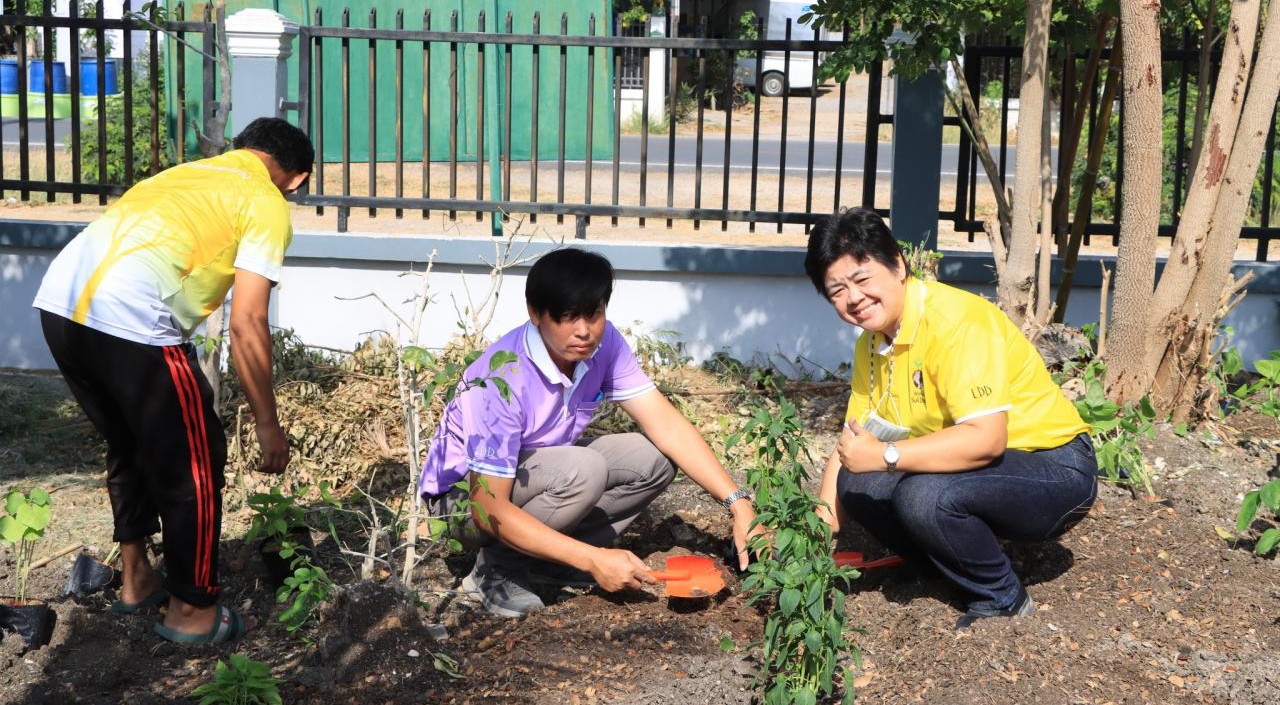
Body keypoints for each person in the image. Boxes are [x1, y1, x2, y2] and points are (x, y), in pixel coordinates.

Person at [33, 117, 313, 644]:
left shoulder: (184, 175)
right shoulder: (266, 201)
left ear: (241, 149)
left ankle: (137, 580)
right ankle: (192, 611)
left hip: (58, 304)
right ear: (295, 179)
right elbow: (249, 322)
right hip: (131, 319)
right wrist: (268, 423)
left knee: (129, 442)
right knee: (197, 462)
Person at [418, 247, 758, 618]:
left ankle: (549, 565)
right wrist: (594, 558)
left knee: (655, 460)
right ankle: (495, 573)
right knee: (583, 469)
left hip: (536, 472)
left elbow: (666, 423)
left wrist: (739, 504)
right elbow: (487, 508)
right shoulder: (502, 379)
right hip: (463, 500)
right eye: (566, 317)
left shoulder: (604, 344)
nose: (583, 331)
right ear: (535, 313)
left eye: (593, 314)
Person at [805, 208, 1096, 629]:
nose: (853, 298)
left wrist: (886, 455)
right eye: (836, 290)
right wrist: (818, 537)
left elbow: (985, 441)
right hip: (987, 475)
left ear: (898, 265)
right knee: (857, 481)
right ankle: (943, 569)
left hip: (1055, 469)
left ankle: (1001, 599)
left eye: (862, 280)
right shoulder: (873, 343)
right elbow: (852, 444)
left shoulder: (956, 322)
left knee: (924, 496)